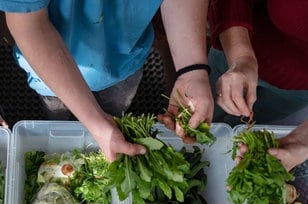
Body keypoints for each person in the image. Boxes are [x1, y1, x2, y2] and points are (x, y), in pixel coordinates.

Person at [0, 0, 213, 162]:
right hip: (51, 70)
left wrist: (192, 69)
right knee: (58, 115)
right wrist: (94, 120)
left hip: (125, 57)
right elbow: (29, 24)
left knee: (116, 107)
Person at [208, 0, 308, 170]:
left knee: (244, 125)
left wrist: (302, 143)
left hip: (304, 88)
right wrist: (241, 56)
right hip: (239, 46)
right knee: (202, 111)